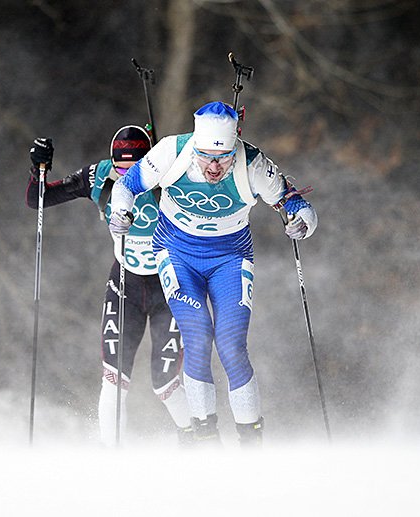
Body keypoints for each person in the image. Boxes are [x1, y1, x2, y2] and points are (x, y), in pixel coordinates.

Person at [108, 102, 318, 447]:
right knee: (198, 336)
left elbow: (295, 203)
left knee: (232, 345)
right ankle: (206, 438)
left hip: (230, 259)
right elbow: (126, 186)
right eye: (206, 157)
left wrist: (302, 223)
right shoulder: (172, 151)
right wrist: (121, 212)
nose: (215, 166)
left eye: (223, 158)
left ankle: (251, 441)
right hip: (176, 254)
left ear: (235, 147)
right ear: (196, 146)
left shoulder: (252, 163)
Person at [25, 126, 192, 445]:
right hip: (125, 285)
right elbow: (38, 198)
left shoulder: (170, 174)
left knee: (165, 383)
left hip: (170, 287)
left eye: (136, 170)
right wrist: (38, 169)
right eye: (120, 169)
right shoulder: (99, 176)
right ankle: (112, 454)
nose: (127, 177)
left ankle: (196, 438)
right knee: (114, 380)